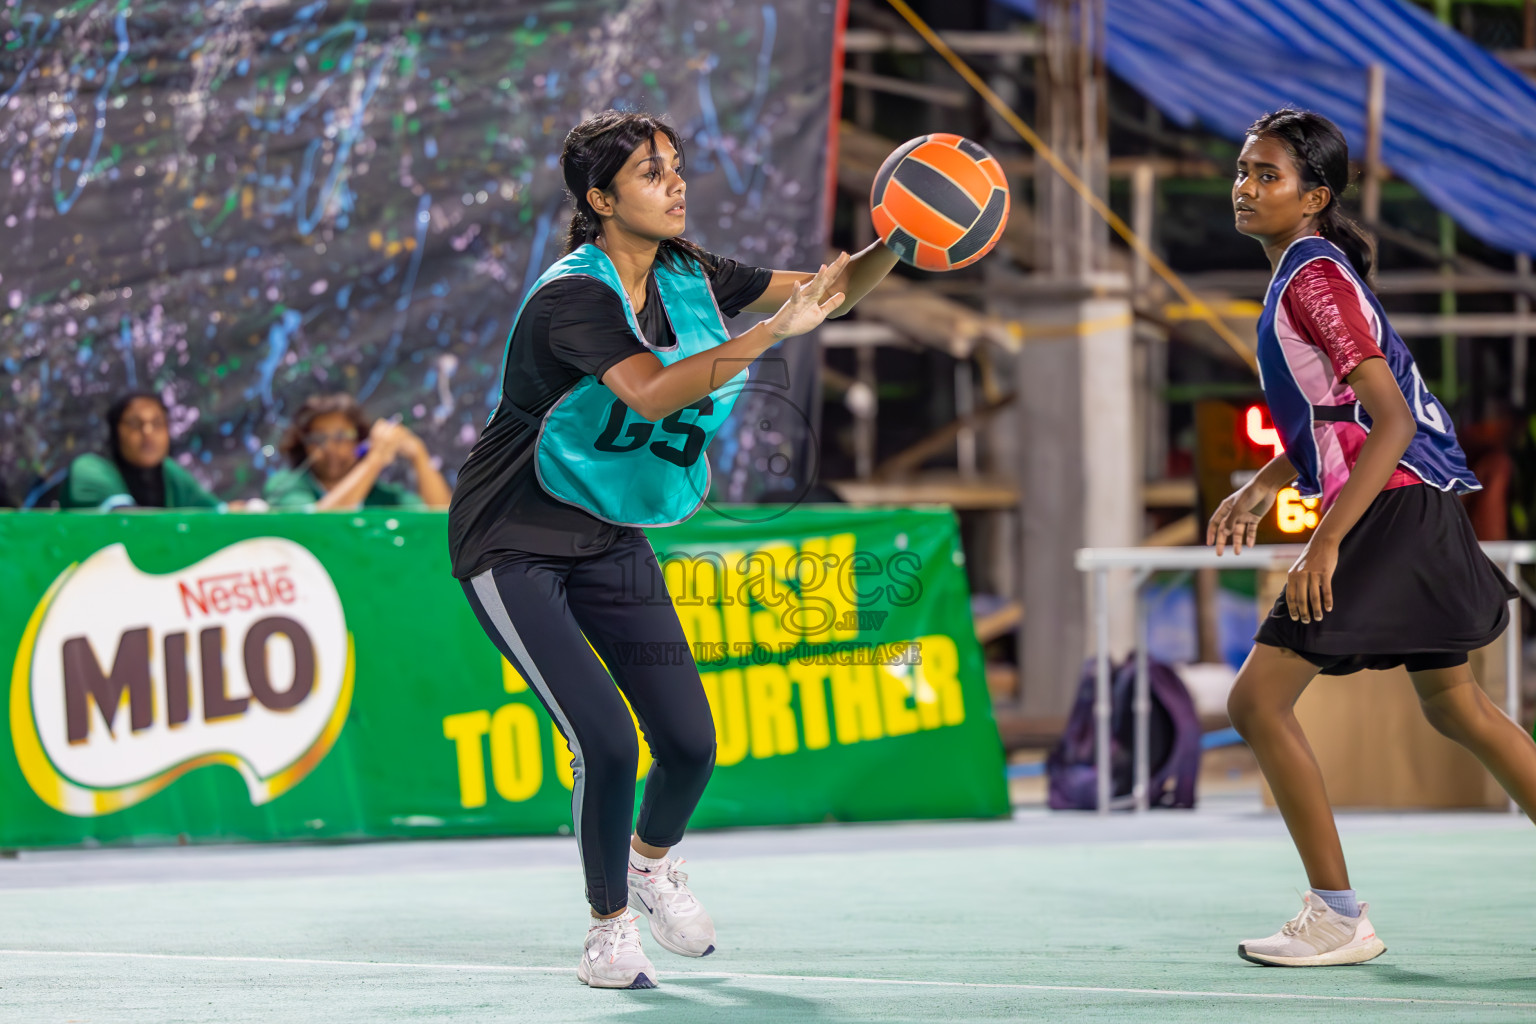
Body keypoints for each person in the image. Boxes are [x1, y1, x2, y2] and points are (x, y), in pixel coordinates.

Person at [448, 110, 898, 989]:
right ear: (600, 198)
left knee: (690, 742)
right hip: (514, 539)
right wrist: (772, 335)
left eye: (677, 167)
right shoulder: (573, 296)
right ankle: (608, 927)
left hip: (608, 528)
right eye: (652, 173)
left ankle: (653, 864)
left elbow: (829, 289)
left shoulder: (690, 272)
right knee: (607, 742)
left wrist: (908, 236)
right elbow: (649, 393)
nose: (677, 183)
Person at [1209, 108, 1536, 967]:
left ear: (1314, 196)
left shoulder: (1314, 280)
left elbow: (1387, 422)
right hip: (1410, 501)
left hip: (1388, 506)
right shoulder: (1305, 274)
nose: (1245, 188)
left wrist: (1324, 544)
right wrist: (1267, 481)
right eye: (1242, 171)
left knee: (1256, 701)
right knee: (1455, 704)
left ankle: (1338, 915)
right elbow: (1338, 418)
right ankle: (1336, 912)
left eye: (1266, 175)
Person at [264, 393, 452, 510]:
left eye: (340, 437)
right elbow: (315, 525)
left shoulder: (382, 496)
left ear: (359, 441)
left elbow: (442, 518)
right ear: (303, 444)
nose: (330, 447)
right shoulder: (285, 487)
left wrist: (418, 455)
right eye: (319, 438)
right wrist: (375, 460)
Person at [60, 392, 225, 510]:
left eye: (157, 424)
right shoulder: (89, 467)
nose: (148, 433)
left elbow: (218, 513)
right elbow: (126, 522)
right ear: (115, 431)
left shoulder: (169, 471)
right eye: (134, 424)